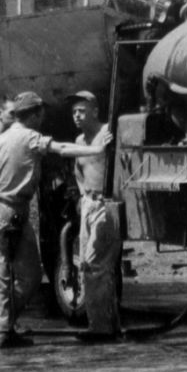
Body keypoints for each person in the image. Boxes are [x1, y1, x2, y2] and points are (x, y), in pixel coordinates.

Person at [0, 91, 110, 349]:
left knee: (4, 270)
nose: (43, 118)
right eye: (41, 113)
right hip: (14, 212)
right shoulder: (29, 137)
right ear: (35, 114)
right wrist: (96, 148)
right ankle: (1, 327)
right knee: (26, 275)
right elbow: (61, 148)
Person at [68, 90, 122, 343]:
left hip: (105, 204)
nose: (76, 116)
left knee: (94, 265)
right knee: (89, 267)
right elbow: (78, 171)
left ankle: (101, 327)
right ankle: (105, 324)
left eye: (81, 111)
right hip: (88, 204)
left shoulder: (108, 133)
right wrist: (82, 196)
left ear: (95, 111)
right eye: (74, 112)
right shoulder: (79, 140)